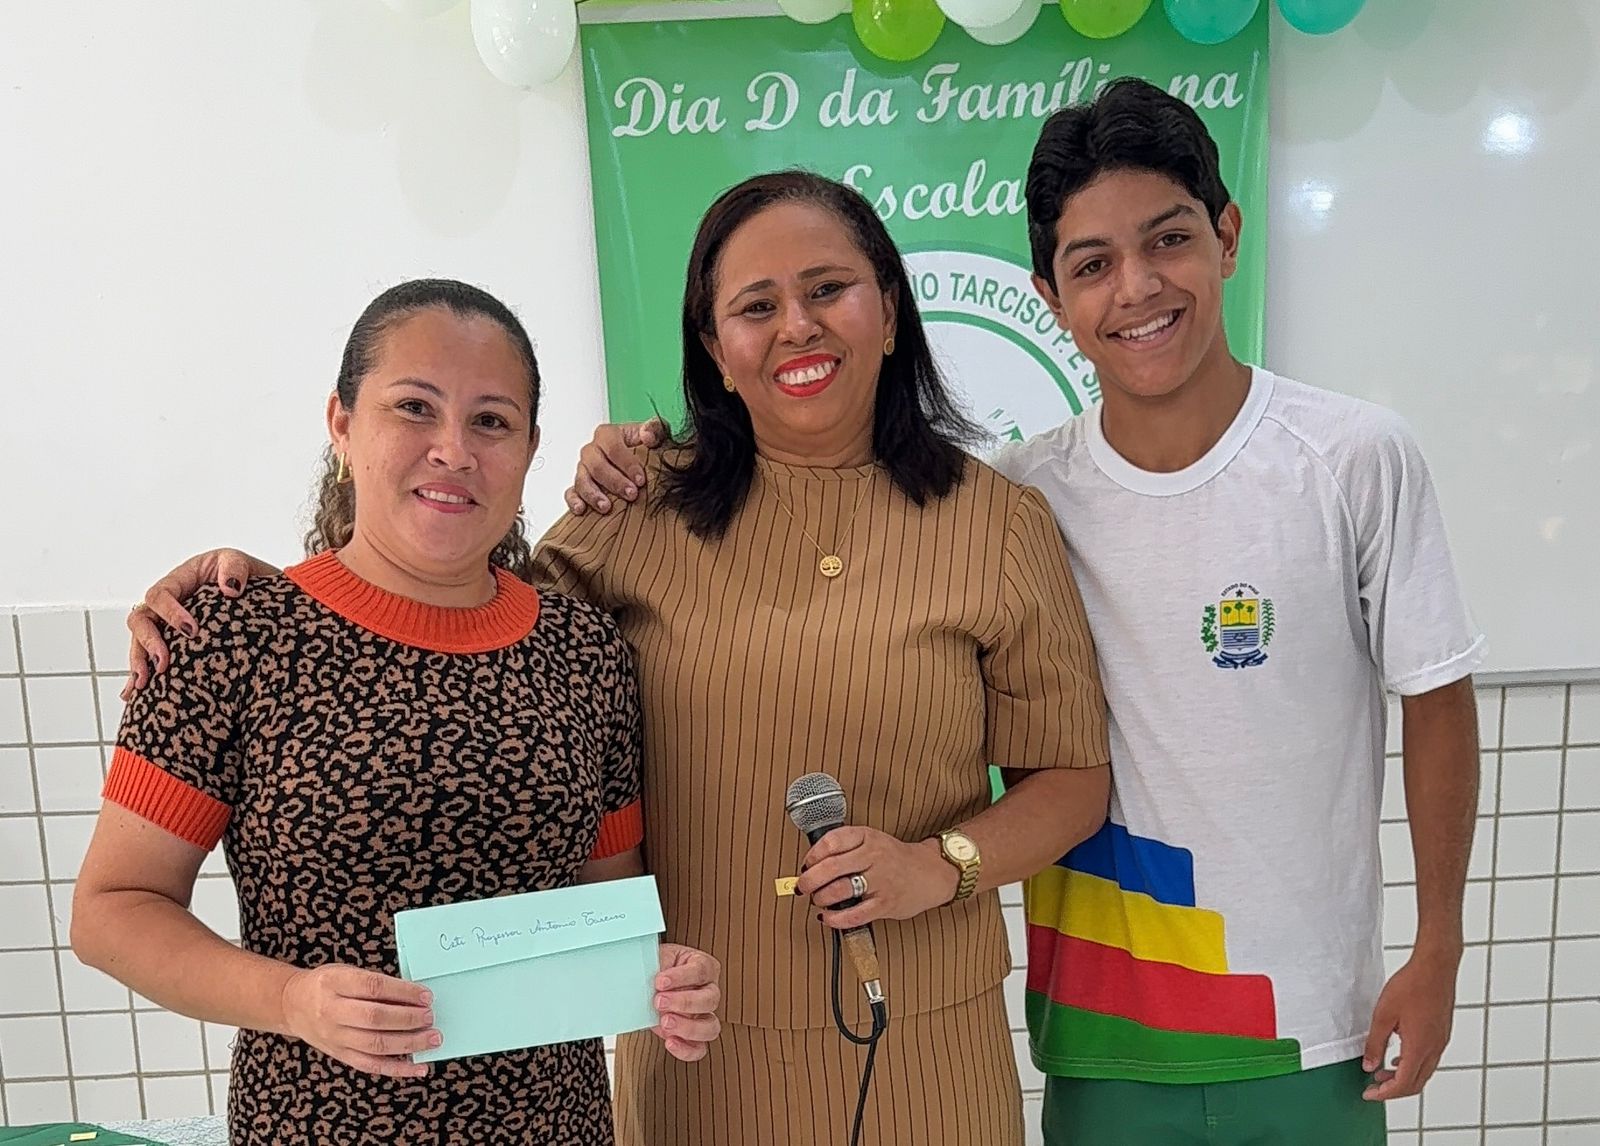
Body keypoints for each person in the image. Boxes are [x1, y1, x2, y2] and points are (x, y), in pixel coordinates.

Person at [565, 80, 1486, 1146]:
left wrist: (1439, 946)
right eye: (755, 306)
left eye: (829, 288)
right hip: (827, 1042)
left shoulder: (1031, 507)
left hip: (1203, 1030)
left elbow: (1419, 702)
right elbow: (516, 672)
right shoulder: (1004, 493)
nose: (1136, 288)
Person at [120, 174, 1114, 1144]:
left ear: (889, 310)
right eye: (755, 307)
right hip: (691, 1048)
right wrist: (278, 598)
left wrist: (940, 865)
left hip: (923, 1039)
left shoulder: (999, 527)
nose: (796, 327)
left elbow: (1070, 779)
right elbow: (447, 603)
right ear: (714, 349)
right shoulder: (636, 509)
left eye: (828, 289)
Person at [75, 279, 722, 1146]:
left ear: (530, 448)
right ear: (342, 425)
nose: (453, 449)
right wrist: (292, 1000)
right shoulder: (230, 639)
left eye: (491, 421)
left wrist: (662, 978)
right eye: (415, 408)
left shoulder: (583, 652)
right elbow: (113, 908)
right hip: (316, 1125)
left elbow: (607, 904)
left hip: (554, 1127)